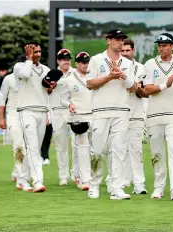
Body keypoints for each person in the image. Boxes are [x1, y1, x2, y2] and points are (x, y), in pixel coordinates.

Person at [86, 29, 137, 200]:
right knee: (98, 151)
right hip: (100, 110)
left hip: (121, 110)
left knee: (119, 151)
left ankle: (116, 187)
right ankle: (93, 185)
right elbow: (90, 84)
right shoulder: (96, 60)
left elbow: (134, 88)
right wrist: (109, 77)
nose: (120, 42)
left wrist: (123, 76)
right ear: (108, 40)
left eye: (122, 39)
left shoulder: (128, 64)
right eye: (116, 39)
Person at [141, 32, 173, 200]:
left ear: (172, 46)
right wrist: (165, 85)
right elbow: (146, 90)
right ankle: (159, 187)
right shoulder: (149, 64)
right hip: (155, 115)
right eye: (160, 45)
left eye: (165, 45)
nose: (162, 48)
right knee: (157, 154)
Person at [13, 42, 59, 192]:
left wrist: (50, 89)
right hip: (27, 111)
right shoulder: (19, 67)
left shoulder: (45, 69)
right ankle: (37, 181)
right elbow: (26, 74)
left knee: (35, 148)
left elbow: (46, 90)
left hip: (41, 111)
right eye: (34, 52)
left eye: (39, 51)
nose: (37, 54)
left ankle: (22, 179)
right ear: (27, 53)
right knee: (32, 147)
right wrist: (28, 59)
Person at [60, 51, 93, 191]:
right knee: (82, 149)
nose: (86, 65)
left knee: (97, 150)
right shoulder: (69, 79)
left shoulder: (94, 76)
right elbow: (62, 99)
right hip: (79, 117)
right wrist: (69, 105)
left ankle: (94, 177)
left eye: (87, 62)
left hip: (95, 115)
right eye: (83, 62)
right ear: (77, 64)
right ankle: (85, 180)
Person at [120, 39, 148, 194]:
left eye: (127, 50)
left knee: (136, 150)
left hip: (137, 113)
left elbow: (141, 90)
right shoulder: (116, 66)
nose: (125, 53)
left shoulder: (141, 68)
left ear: (133, 50)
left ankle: (139, 184)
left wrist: (134, 85)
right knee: (119, 149)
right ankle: (123, 180)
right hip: (120, 113)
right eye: (122, 51)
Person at [51, 49, 79, 186]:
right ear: (58, 61)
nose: (66, 61)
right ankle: (63, 175)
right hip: (57, 111)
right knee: (61, 146)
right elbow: (46, 91)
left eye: (68, 59)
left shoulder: (75, 73)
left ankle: (76, 174)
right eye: (63, 59)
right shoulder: (52, 74)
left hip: (73, 111)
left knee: (77, 144)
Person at [0, 72, 24, 183]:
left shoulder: (31, 77)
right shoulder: (9, 79)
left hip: (28, 114)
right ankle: (22, 177)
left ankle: (16, 172)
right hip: (13, 114)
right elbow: (2, 97)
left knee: (28, 146)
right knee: (19, 145)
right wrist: (1, 118)